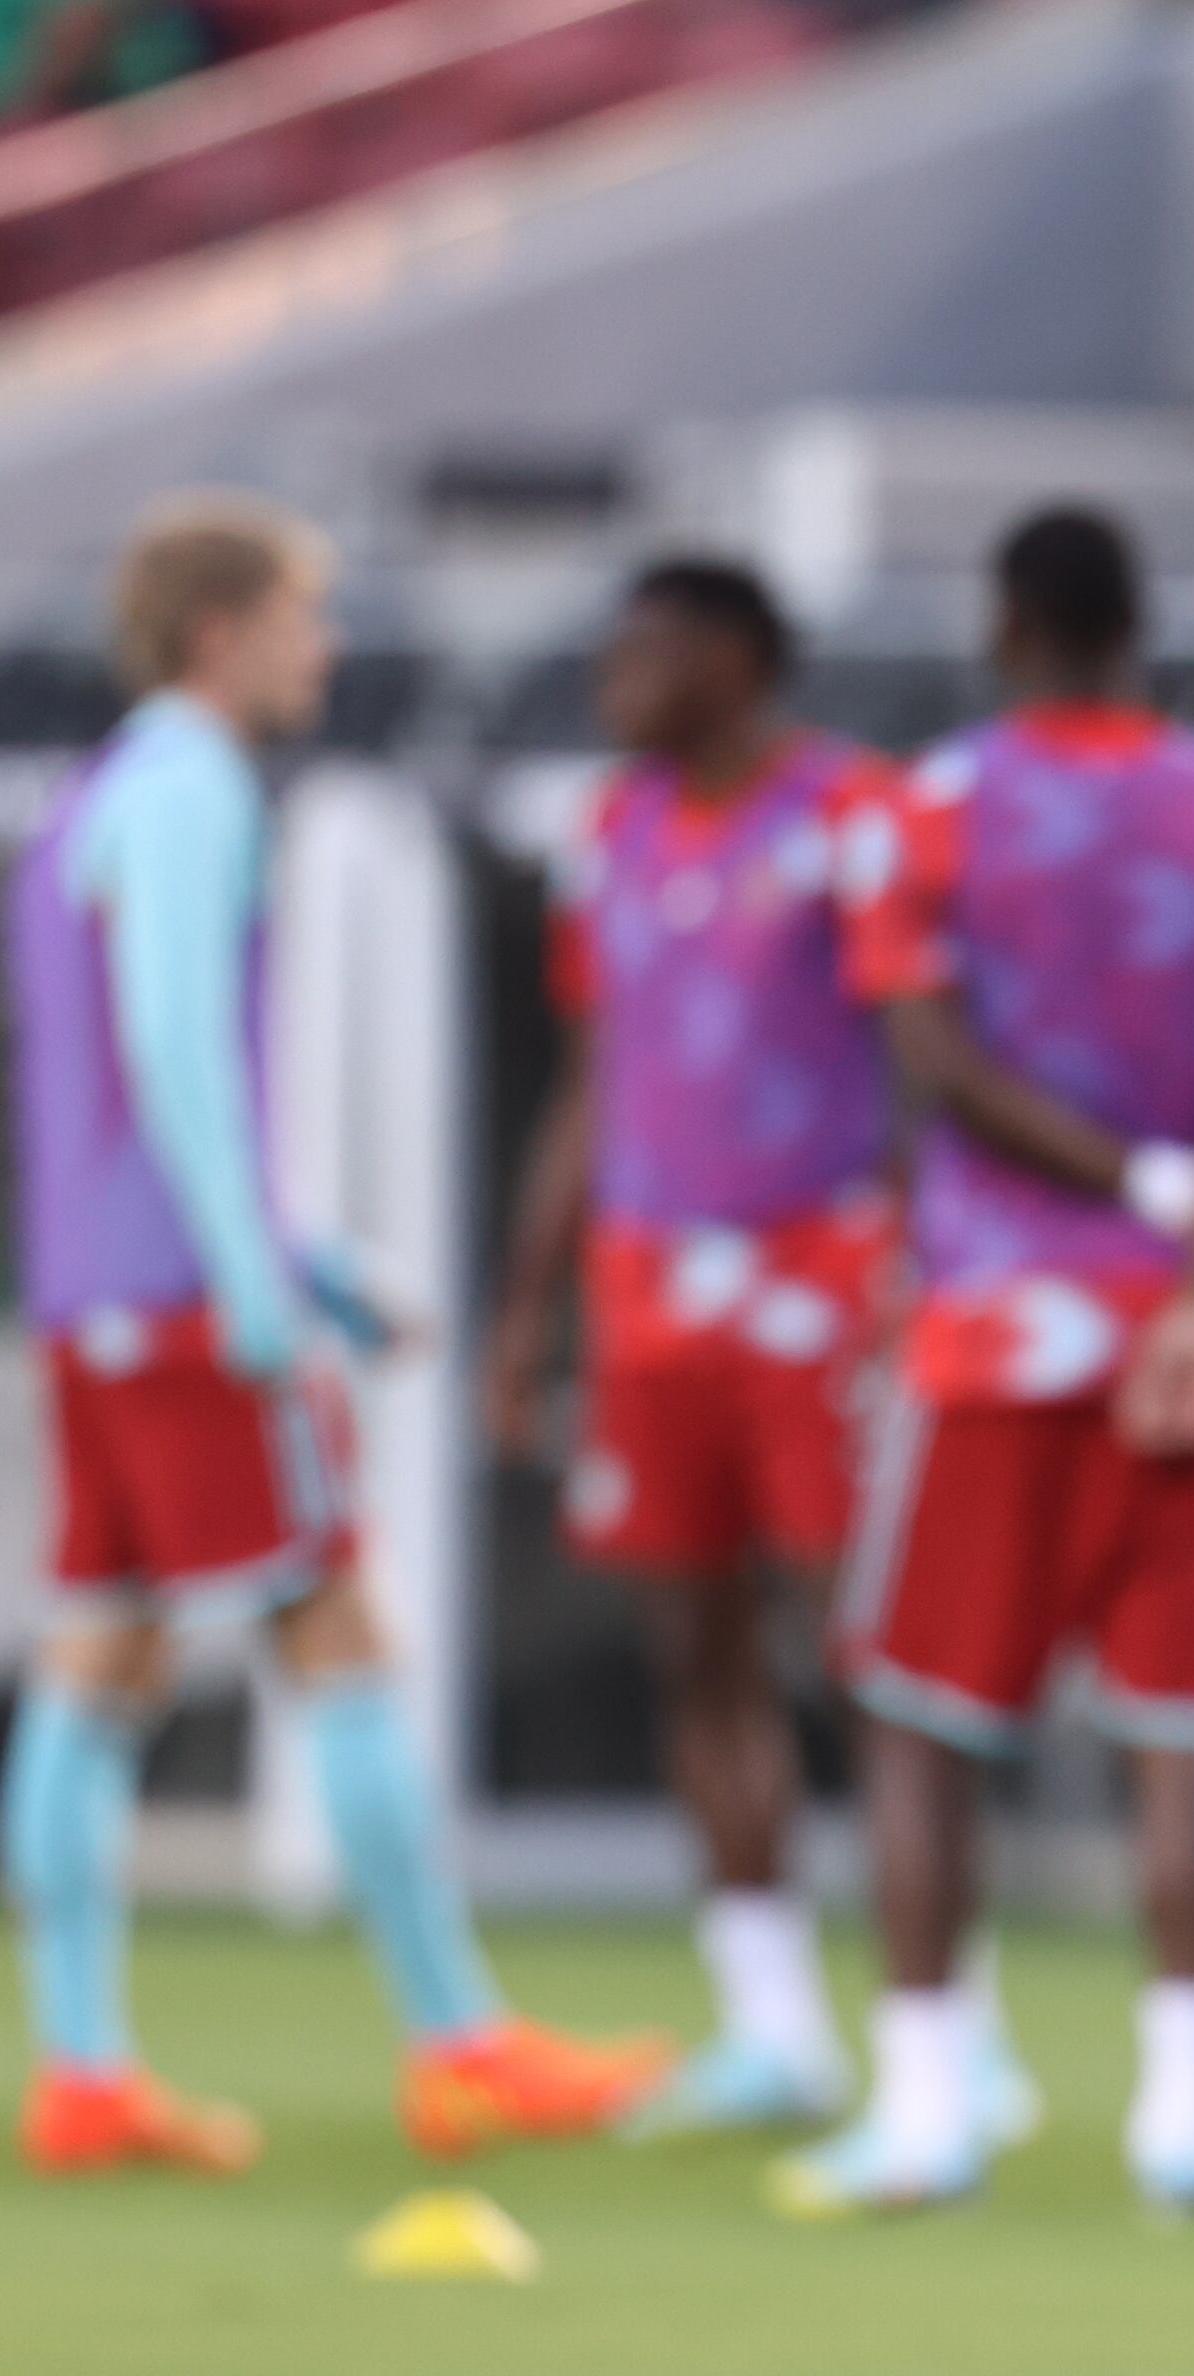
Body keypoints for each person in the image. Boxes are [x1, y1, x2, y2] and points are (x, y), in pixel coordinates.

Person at [0, 493, 669, 2173]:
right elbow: (173, 1043)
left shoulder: (91, 803)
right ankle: (459, 2039)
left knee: (99, 1655)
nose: (331, 641)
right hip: (180, 1304)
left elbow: (112, 1084)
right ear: (219, 632)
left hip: (93, 1300)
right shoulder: (191, 788)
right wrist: (254, 1283)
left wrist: (304, 1251)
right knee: (336, 1624)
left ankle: (81, 2068)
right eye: (307, 613)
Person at [774, 505, 1194, 2220]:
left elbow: (933, 1058)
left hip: (996, 1341)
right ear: (1139, 623)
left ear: (1004, 623)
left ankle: (929, 2103)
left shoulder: (924, 812)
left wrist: (1121, 1189)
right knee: (1182, 1736)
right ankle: (1187, 2119)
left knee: (924, 1725)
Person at [482, 560, 897, 2137]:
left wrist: (931, 1260)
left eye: (642, 653)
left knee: (867, 1649)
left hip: (822, 1271)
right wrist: (528, 1310)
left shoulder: (853, 817)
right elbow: (595, 1078)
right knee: (695, 1649)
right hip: (648, 1285)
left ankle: (950, 2024)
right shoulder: (608, 835)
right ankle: (772, 2020)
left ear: (733, 658)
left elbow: (923, 1050)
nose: (611, 682)